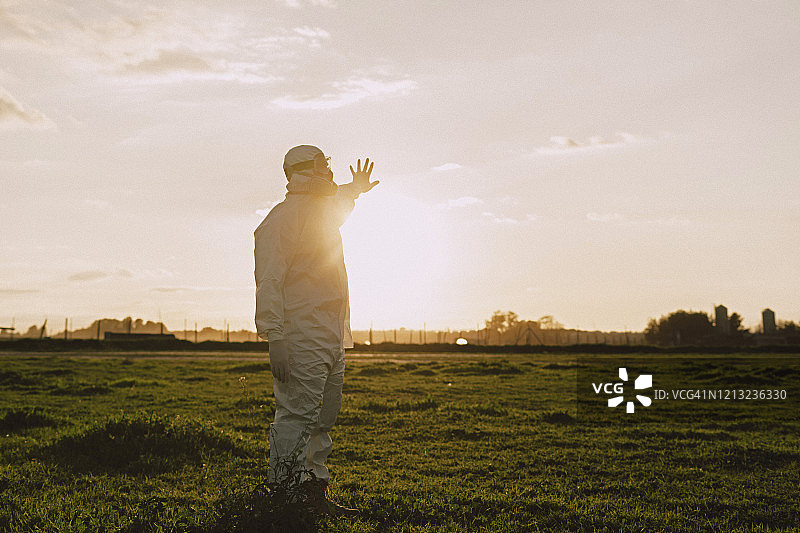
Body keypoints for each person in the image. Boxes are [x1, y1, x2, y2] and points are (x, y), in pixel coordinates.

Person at [254, 145, 378, 516]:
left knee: (323, 415)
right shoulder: (281, 220)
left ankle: (312, 494)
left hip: (329, 332)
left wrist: (355, 189)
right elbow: (270, 280)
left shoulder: (322, 212)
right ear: (304, 170)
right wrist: (274, 336)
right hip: (299, 332)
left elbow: (340, 203)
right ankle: (285, 498)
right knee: (297, 414)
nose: (329, 171)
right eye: (324, 165)